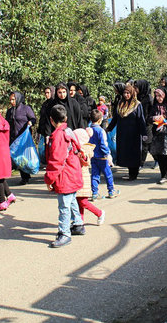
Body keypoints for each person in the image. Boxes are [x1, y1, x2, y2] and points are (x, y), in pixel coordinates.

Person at [44, 105, 86, 248]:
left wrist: (49, 179)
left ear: (51, 120)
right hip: (73, 172)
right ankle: (79, 224)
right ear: (66, 118)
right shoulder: (69, 132)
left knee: (64, 205)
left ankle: (64, 233)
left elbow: (56, 160)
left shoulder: (58, 136)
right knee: (72, 199)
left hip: (65, 175)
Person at [106, 85, 147, 181]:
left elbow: (141, 119)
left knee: (133, 153)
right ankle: (130, 172)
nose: (126, 95)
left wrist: (144, 133)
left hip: (134, 134)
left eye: (128, 93)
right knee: (126, 153)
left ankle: (134, 173)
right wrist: (109, 128)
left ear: (132, 93)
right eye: (124, 93)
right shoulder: (121, 104)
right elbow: (116, 118)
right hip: (123, 133)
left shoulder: (137, 104)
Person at [72, 128, 105, 224]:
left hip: (82, 179)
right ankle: (79, 221)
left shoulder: (83, 150)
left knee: (82, 201)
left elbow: (84, 161)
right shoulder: (79, 149)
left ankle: (99, 213)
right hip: (79, 178)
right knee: (79, 201)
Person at [6, 91, 36, 185]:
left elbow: (33, 118)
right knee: (18, 157)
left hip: (24, 137)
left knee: (24, 157)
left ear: (18, 99)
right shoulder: (10, 111)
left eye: (13, 99)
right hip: (14, 138)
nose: (12, 101)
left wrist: (30, 122)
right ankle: (24, 175)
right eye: (10, 100)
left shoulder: (26, 109)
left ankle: (25, 175)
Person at [89, 109, 117, 200]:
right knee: (108, 174)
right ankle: (111, 191)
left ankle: (94, 193)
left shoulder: (89, 129)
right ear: (100, 120)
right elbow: (103, 144)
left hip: (93, 156)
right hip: (102, 157)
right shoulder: (101, 131)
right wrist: (108, 154)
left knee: (94, 175)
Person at [134, 79, 153, 167]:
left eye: (136, 87)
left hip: (147, 125)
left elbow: (152, 111)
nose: (135, 89)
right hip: (138, 124)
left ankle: (141, 163)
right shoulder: (136, 97)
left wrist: (148, 120)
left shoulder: (149, 98)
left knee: (146, 144)